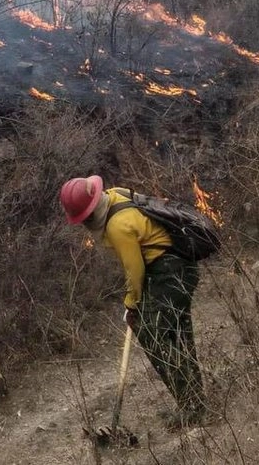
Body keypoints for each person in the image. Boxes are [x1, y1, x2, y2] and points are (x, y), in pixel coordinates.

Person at [59, 174, 209, 428]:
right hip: (179, 267)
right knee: (177, 332)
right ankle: (193, 402)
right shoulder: (116, 195)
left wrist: (131, 304)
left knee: (153, 334)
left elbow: (134, 270)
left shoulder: (117, 226)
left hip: (169, 271)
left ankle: (192, 406)